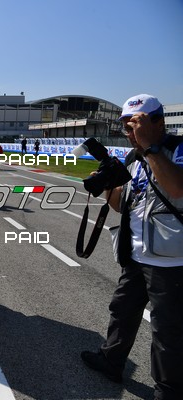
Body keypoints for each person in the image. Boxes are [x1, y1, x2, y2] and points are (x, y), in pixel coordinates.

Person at [80, 94, 183, 400]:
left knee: (168, 330)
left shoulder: (178, 149)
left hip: (171, 259)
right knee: (122, 310)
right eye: (126, 126)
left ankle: (169, 391)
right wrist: (106, 184)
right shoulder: (132, 158)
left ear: (158, 122)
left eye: (136, 125)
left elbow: (178, 188)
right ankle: (111, 360)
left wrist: (149, 146)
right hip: (136, 253)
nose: (130, 133)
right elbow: (119, 205)